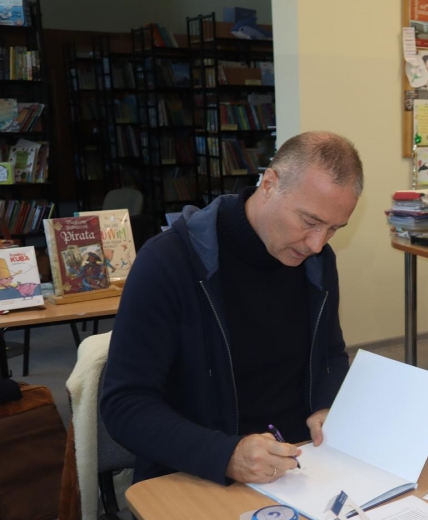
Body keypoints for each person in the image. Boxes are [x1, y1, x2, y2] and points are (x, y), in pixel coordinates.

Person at [100, 131, 363, 490]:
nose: (317, 244)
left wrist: (326, 405)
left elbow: (330, 353)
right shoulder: (169, 262)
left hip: (300, 465)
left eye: (333, 229)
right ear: (269, 184)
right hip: (197, 472)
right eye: (310, 221)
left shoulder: (317, 263)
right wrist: (227, 455)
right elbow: (124, 406)